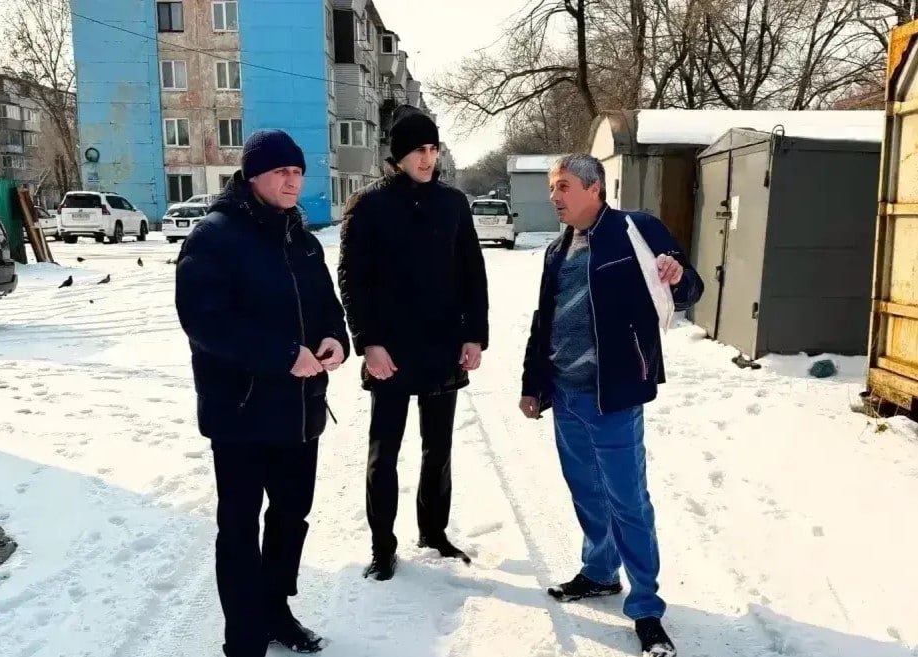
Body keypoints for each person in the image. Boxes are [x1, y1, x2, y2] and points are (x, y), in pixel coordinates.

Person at [519, 154, 704, 657]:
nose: (554, 196)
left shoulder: (635, 230)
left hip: (614, 396)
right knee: (586, 492)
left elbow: (690, 289)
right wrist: (533, 383)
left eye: (563, 186)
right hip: (566, 394)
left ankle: (646, 607)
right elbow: (544, 320)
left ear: (594, 188)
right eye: (552, 187)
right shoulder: (556, 249)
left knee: (628, 501)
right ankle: (600, 571)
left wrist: (675, 274)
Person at [175, 129, 349, 657]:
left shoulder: (303, 240)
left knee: (290, 519)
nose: (293, 181)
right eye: (281, 172)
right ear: (253, 176)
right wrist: (282, 354)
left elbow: (328, 307)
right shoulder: (215, 237)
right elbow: (204, 322)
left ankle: (276, 610)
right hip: (242, 413)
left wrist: (334, 338)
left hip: (300, 411)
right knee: (239, 527)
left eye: (298, 172)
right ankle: (244, 637)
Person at [338, 105, 489, 581]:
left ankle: (434, 531)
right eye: (417, 150)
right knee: (384, 454)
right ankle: (383, 546)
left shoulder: (453, 203)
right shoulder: (369, 206)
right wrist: (368, 342)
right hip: (391, 352)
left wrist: (474, 334)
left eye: (432, 149)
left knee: (438, 449)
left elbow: (473, 274)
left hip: (442, 346)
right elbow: (352, 280)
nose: (427, 158)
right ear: (397, 156)